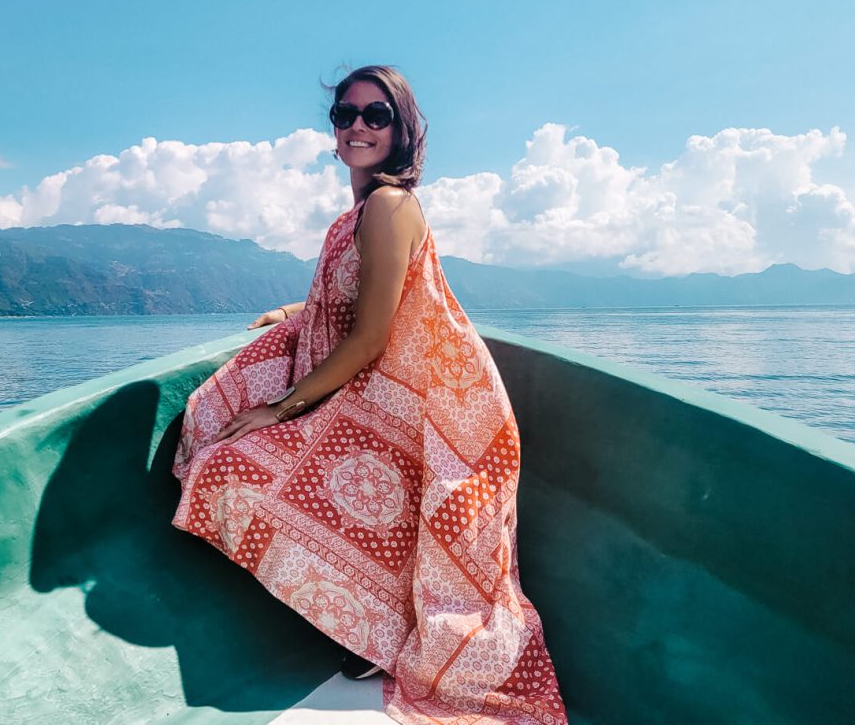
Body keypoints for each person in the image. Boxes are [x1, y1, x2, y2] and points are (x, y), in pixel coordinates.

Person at [171, 65, 568, 725]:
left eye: (375, 115)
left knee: (226, 469)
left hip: (441, 417)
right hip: (383, 392)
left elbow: (373, 335)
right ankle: (364, 623)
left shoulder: (388, 206)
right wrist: (300, 309)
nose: (357, 126)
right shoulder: (361, 214)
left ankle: (374, 636)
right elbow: (364, 296)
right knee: (212, 414)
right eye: (345, 115)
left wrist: (281, 406)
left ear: (401, 129)